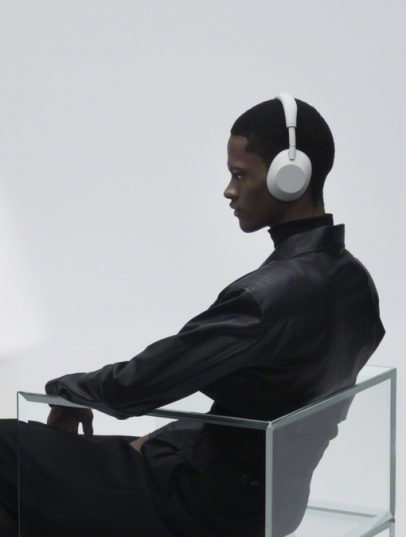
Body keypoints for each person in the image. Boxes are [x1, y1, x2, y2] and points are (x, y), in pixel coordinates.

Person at [0, 93, 386, 537]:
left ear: (290, 178)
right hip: (271, 501)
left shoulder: (266, 297)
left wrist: (66, 391)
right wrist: (168, 440)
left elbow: (141, 383)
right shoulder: (356, 283)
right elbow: (271, 402)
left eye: (239, 174)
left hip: (202, 505)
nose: (229, 190)